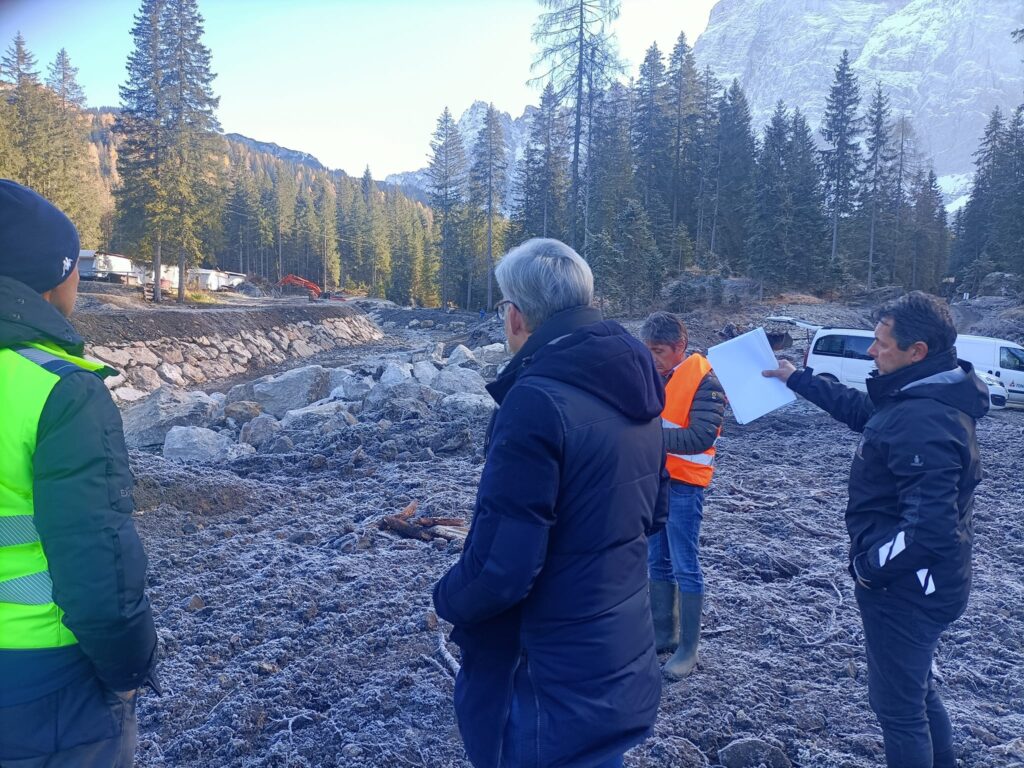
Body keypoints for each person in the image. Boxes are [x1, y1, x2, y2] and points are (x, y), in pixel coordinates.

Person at [433, 238, 668, 768]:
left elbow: (501, 570)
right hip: (618, 655)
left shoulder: (536, 401)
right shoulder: (637, 381)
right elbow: (654, 513)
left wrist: (446, 597)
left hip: (544, 677)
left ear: (515, 317)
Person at [762, 291, 987, 768]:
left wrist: (868, 566)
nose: (871, 351)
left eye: (881, 343)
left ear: (917, 351)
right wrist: (798, 378)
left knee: (900, 710)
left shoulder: (925, 417)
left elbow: (929, 531)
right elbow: (868, 415)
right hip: (922, 583)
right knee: (917, 691)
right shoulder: (917, 396)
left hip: (908, 589)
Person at [0, 180, 158, 767]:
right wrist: (128, 671)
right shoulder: (57, 392)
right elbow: (97, 563)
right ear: (48, 279)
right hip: (43, 684)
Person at [638, 312, 725, 679]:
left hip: (686, 485)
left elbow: (701, 436)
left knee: (686, 565)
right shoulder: (654, 377)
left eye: (658, 351)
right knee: (656, 559)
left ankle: (688, 648)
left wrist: (646, 439)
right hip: (654, 481)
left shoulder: (706, 381)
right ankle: (663, 634)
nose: (652, 358)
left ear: (680, 348)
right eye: (648, 351)